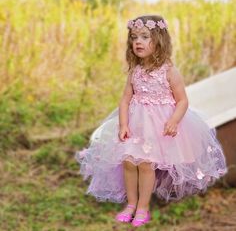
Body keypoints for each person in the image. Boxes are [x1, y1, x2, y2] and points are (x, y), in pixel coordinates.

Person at [75, 15, 228, 227]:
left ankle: (143, 207)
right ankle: (131, 203)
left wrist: (174, 121)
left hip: (158, 128)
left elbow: (182, 100)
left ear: (159, 40)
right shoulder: (134, 72)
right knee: (129, 162)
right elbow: (125, 100)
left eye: (145, 37)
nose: (137, 41)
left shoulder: (169, 71)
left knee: (146, 164)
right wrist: (123, 124)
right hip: (135, 125)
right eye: (134, 37)